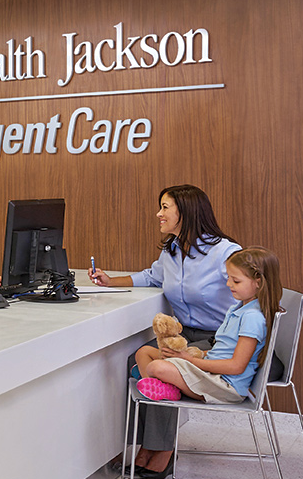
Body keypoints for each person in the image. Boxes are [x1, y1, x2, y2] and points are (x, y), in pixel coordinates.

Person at [88, 184, 241, 478]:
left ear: (186, 212)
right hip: (186, 336)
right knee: (135, 360)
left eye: (165, 207)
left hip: (219, 338)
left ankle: (162, 453)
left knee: (161, 367)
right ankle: (147, 446)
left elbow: (250, 294)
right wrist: (110, 281)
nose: (158, 214)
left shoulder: (225, 252)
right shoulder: (172, 251)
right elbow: (151, 276)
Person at [135, 247, 281, 406]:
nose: (228, 283)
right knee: (144, 353)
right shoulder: (237, 308)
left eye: (236, 281)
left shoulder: (252, 318)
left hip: (224, 385)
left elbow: (236, 366)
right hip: (211, 372)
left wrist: (190, 360)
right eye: (229, 278)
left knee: (156, 367)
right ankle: (162, 386)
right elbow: (222, 349)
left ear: (258, 283)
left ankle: (163, 384)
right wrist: (192, 354)